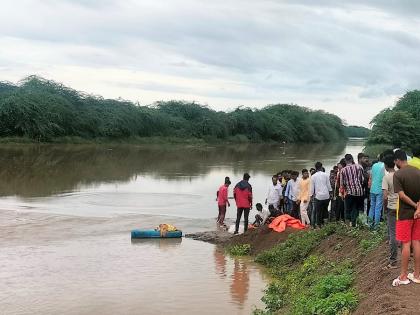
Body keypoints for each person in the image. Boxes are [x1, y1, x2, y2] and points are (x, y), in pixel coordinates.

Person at [392, 150, 420, 286]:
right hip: (418, 214)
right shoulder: (417, 171)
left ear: (398, 160)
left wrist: (415, 206)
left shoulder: (398, 175)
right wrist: (418, 208)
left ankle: (403, 276)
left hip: (405, 214)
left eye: (394, 161)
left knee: (406, 243)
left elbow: (402, 196)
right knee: (417, 242)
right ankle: (417, 275)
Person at [382, 155, 398, 269]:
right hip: (402, 207)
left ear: (386, 166)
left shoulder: (386, 177)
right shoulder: (399, 175)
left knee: (393, 234)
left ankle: (393, 260)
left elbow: (385, 196)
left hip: (391, 207)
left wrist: (384, 207)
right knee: (403, 231)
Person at [340, 154, 365, 227]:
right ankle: (360, 223)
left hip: (349, 192)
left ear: (345, 160)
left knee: (348, 209)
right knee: (359, 208)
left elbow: (342, 184)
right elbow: (362, 180)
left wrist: (342, 194)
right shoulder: (359, 167)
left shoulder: (343, 170)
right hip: (359, 192)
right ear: (352, 159)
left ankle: (349, 225)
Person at [310, 162, 332, 228]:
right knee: (325, 209)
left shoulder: (313, 176)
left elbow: (312, 188)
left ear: (316, 168)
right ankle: (325, 224)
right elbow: (329, 185)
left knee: (318, 211)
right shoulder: (326, 175)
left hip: (318, 197)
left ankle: (319, 226)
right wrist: (331, 193)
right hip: (326, 196)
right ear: (321, 167)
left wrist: (311, 196)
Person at [369, 153, 385, 228]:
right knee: (378, 208)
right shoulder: (384, 166)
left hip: (372, 189)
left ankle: (369, 224)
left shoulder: (374, 165)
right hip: (380, 189)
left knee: (372, 207)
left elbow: (371, 177)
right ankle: (376, 226)